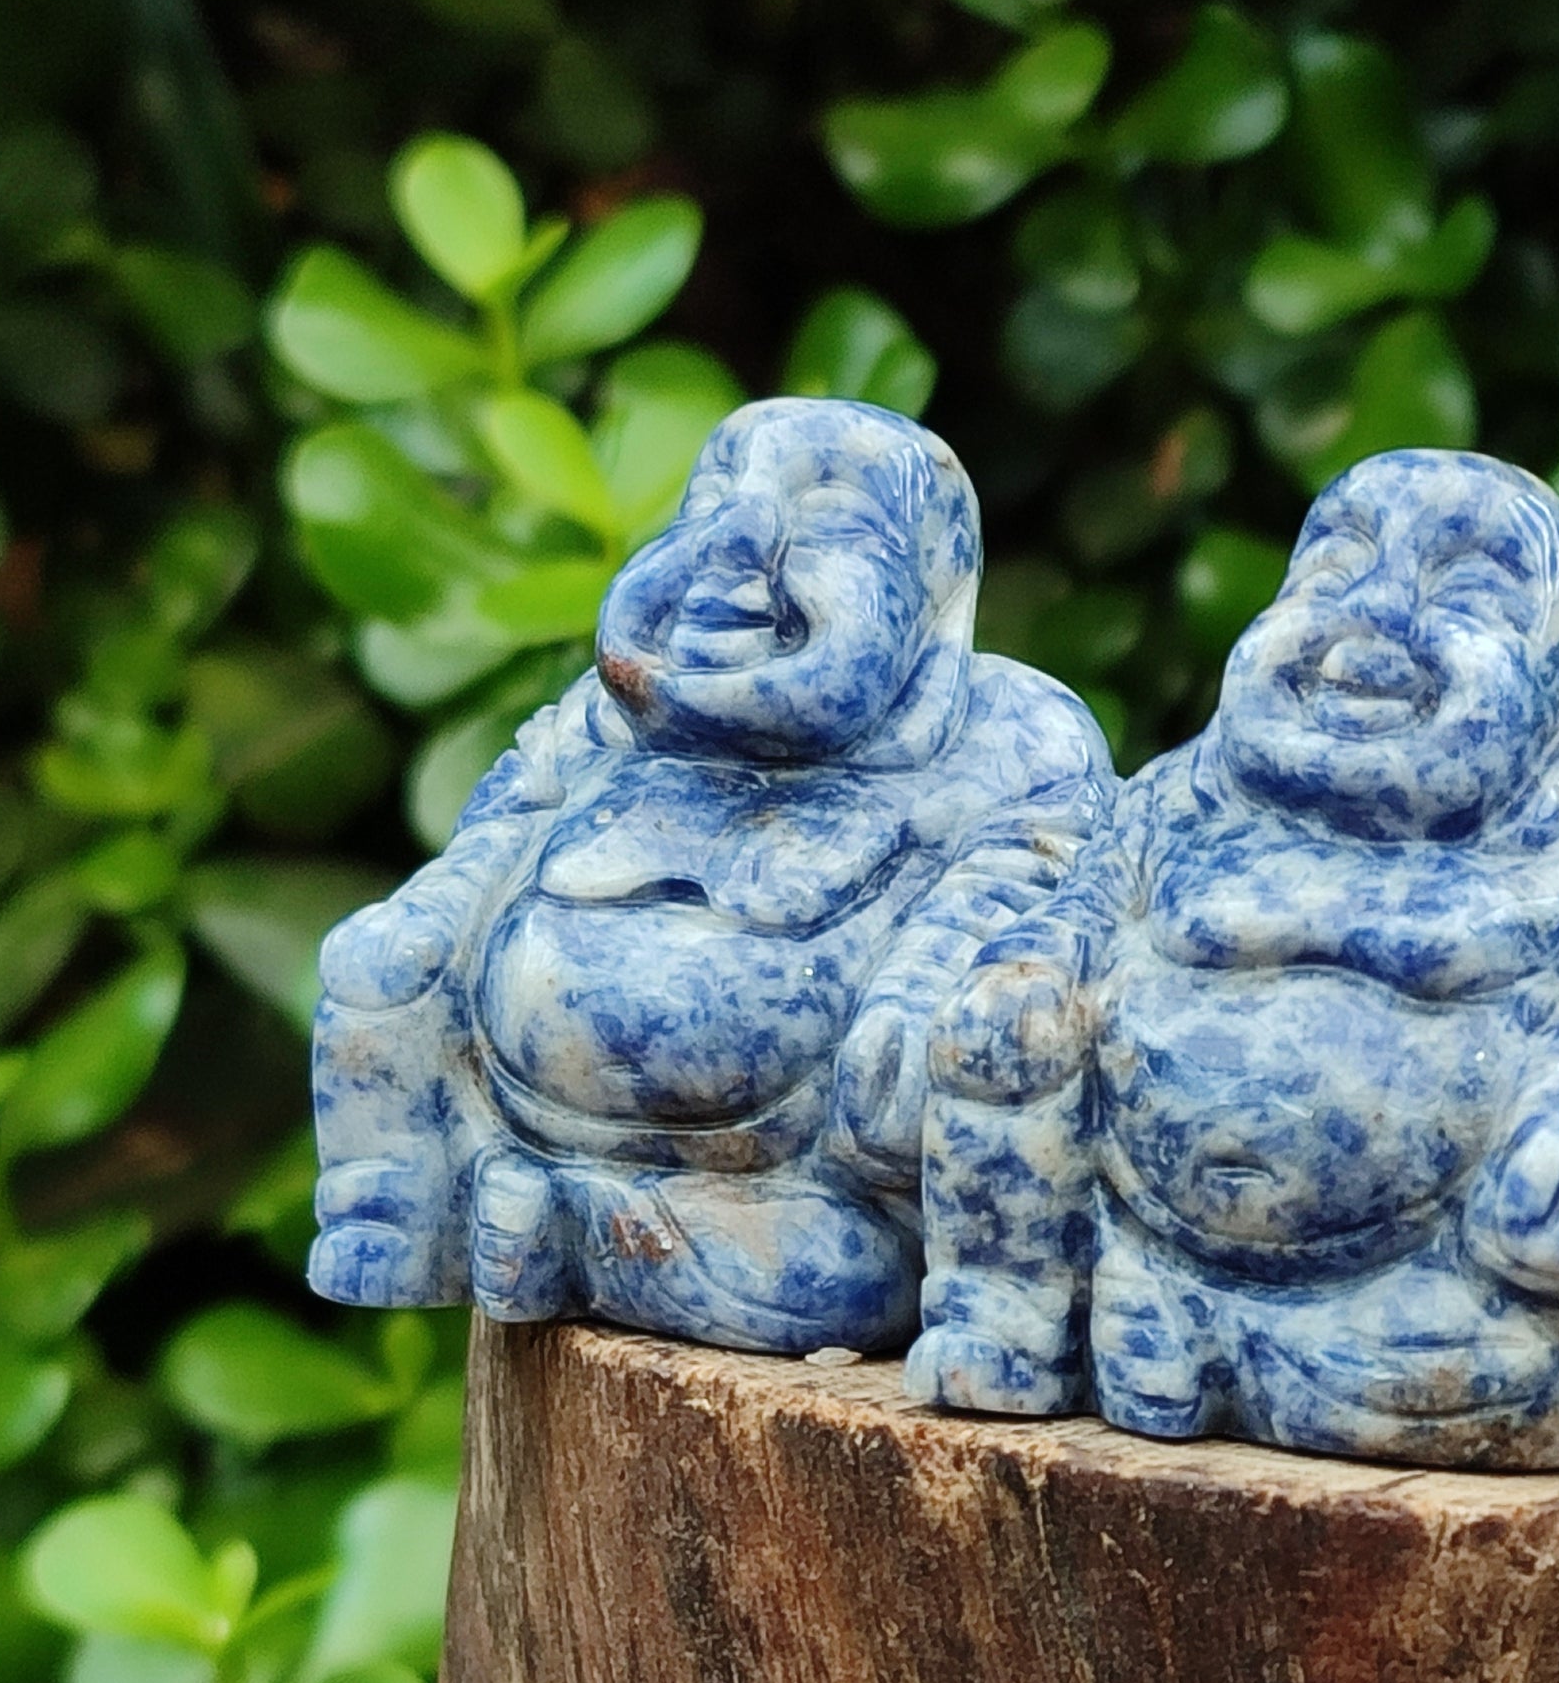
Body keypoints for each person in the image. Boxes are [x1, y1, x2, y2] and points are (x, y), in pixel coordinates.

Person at [910, 448, 1559, 1466]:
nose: (1373, 617)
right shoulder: (1184, 794)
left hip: (1451, 1294)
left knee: (1551, 1262)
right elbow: (1074, 916)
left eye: (1468, 588)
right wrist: (1027, 979)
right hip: (1155, 1262)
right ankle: (1012, 1323)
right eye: (1334, 568)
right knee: (999, 1028)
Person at [307, 397, 1106, 1353]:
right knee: (374, 962)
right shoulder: (606, 722)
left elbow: (1024, 884)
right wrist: (421, 931)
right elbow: (500, 829)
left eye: (834, 519)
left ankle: (589, 1233)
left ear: (937, 589)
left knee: (842, 1279)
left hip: (797, 1163)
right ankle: (412, 1212)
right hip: (529, 1106)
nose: (741, 540)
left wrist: (913, 998)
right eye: (717, 497)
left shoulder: (1007, 737)